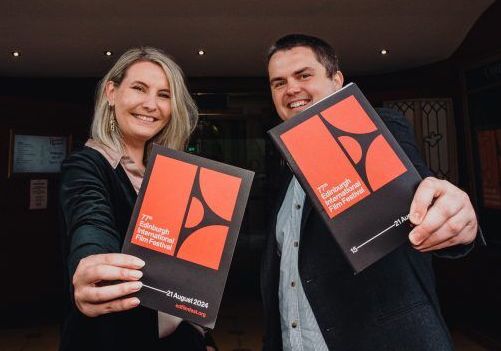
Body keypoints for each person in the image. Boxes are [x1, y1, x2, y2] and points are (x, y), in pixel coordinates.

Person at [261, 34, 481, 351]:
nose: (291, 88)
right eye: (278, 82)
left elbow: (423, 192)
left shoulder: (376, 127)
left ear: (336, 81)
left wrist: (456, 217)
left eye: (304, 75)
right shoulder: (285, 174)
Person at [59, 47, 211, 351]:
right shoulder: (87, 165)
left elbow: (191, 275)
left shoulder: (173, 175)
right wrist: (90, 261)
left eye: (164, 95)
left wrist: (201, 335)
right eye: (139, 88)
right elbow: (90, 219)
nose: (151, 104)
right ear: (111, 92)